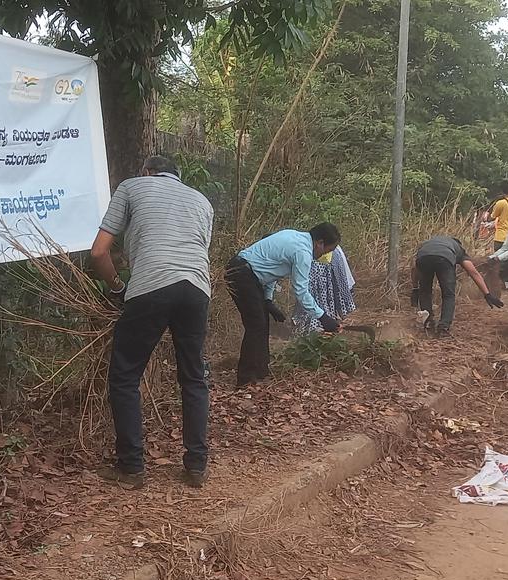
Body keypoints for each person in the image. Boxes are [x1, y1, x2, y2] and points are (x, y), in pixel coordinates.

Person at [90, 156, 213, 489]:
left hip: (151, 286)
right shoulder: (202, 201)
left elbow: (99, 252)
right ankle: (196, 466)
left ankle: (132, 468)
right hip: (197, 289)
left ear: (146, 172)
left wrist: (118, 287)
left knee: (125, 376)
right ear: (179, 176)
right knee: (194, 377)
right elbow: (199, 251)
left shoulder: (131, 186)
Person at [227, 223, 342, 386]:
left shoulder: (294, 236)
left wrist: (268, 301)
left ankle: (260, 371)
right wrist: (322, 317)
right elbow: (301, 291)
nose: (325, 254)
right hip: (242, 274)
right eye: (327, 250)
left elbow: (271, 269)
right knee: (256, 325)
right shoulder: (303, 252)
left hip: (246, 273)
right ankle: (246, 379)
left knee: (262, 323)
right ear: (319, 243)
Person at [411, 236, 504, 336]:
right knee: (448, 295)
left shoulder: (428, 244)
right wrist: (487, 294)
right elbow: (473, 272)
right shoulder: (458, 248)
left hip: (423, 258)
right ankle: (443, 327)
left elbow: (415, 269)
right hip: (444, 259)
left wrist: (415, 289)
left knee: (424, 291)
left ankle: (428, 322)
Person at [291, 245, 356, 335]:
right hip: (315, 276)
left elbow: (341, 276)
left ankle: (321, 329)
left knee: (323, 302)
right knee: (312, 300)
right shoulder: (310, 250)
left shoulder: (335, 251)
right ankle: (315, 329)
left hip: (325, 276)